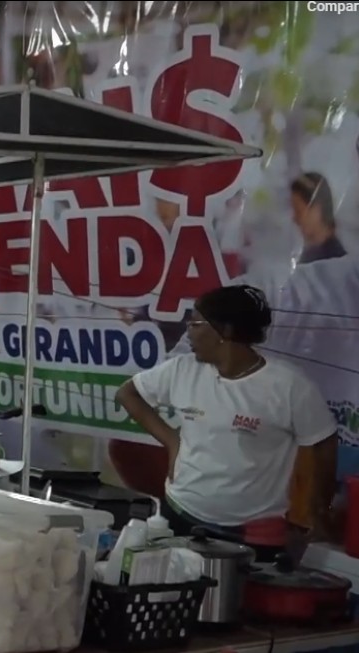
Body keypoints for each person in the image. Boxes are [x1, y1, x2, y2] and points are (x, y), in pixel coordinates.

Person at [115, 285, 339, 560]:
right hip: (181, 514)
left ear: (226, 331)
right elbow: (127, 393)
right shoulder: (182, 369)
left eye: (196, 324)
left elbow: (324, 442)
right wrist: (171, 440)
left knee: (241, 601)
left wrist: (319, 509)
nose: (188, 332)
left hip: (254, 532)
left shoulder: (289, 386)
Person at [290, 172, 347, 264]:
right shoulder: (309, 255)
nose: (294, 218)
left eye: (298, 211)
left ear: (317, 209)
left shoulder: (335, 263)